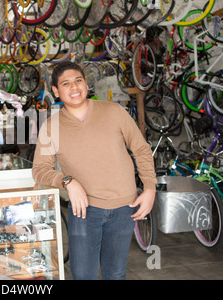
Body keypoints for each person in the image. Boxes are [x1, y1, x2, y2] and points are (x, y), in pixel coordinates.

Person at [32, 61, 157, 280]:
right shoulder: (51, 126)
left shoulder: (114, 111)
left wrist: (149, 189)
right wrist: (68, 181)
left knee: (116, 273)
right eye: (66, 83)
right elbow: (40, 170)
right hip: (84, 210)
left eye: (78, 81)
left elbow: (141, 149)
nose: (74, 87)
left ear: (86, 83)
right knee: (83, 276)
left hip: (124, 207)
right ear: (56, 91)